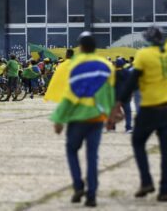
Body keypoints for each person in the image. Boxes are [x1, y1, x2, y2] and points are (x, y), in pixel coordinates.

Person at [110, 0, 167, 203]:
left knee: (138, 142)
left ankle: (146, 180)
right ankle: (165, 190)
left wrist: (117, 103)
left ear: (148, 40)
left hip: (150, 109)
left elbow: (132, 82)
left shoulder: (144, 55)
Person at [50, 32, 115, 207]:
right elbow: (109, 93)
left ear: (81, 47)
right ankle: (92, 195)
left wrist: (59, 119)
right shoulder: (106, 65)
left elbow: (70, 94)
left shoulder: (74, 64)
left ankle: (78, 185)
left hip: (77, 118)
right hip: (97, 117)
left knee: (72, 150)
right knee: (92, 156)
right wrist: (111, 115)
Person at [113, 58, 133, 133]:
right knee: (128, 112)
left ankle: (112, 127)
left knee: (114, 112)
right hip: (126, 95)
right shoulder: (127, 72)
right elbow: (130, 84)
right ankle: (128, 127)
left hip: (116, 95)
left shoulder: (113, 73)